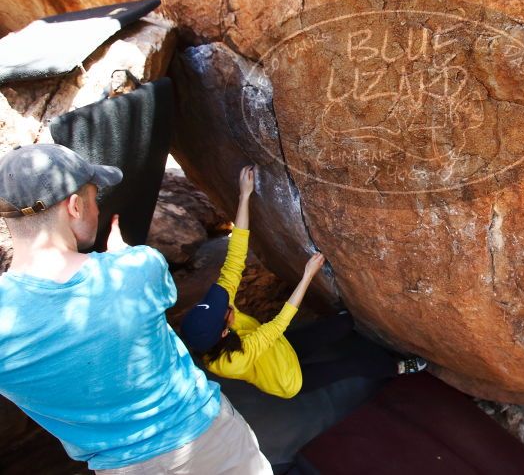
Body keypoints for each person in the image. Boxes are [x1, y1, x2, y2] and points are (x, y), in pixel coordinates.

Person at [0, 144, 272, 474]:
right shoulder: (136, 268)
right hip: (210, 443)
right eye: (94, 197)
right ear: (74, 206)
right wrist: (123, 258)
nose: (97, 210)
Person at [181, 165, 427, 398]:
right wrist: (308, 275)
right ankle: (398, 368)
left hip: (279, 346)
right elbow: (278, 323)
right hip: (289, 378)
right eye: (225, 310)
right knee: (352, 365)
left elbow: (235, 255)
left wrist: (244, 196)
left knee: (343, 324)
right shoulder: (232, 361)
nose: (228, 303)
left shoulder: (216, 324)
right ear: (224, 332)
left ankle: (344, 328)